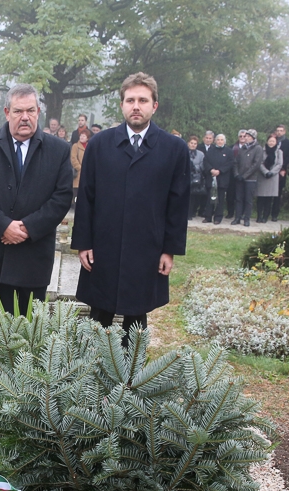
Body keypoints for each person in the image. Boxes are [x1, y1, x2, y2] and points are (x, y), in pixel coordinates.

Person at [71, 72, 189, 344]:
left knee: (136, 317)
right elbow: (86, 196)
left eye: (143, 100)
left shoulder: (173, 149)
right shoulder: (99, 145)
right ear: (122, 105)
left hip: (147, 246)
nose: (136, 106)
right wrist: (83, 243)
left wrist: (169, 249)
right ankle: (91, 365)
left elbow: (178, 203)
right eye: (130, 100)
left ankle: (132, 368)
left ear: (154, 105)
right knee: (99, 316)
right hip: (104, 245)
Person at [0, 83, 73, 313]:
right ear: (7, 113)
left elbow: (62, 197)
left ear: (38, 112)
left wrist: (27, 227)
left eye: (30, 110)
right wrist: (3, 226)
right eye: (18, 111)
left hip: (35, 254)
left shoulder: (59, 150)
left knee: (32, 327)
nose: (25, 117)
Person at [232, 129, 262, 226]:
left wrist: (244, 176)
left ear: (253, 138)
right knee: (238, 199)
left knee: (248, 200)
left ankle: (246, 219)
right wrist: (237, 174)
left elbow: (256, 165)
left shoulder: (258, 148)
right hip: (239, 178)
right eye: (246, 136)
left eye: (248, 136)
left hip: (250, 179)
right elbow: (236, 162)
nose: (246, 138)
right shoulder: (243, 148)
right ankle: (237, 218)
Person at [202, 133, 233, 224]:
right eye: (218, 140)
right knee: (209, 198)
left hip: (222, 178)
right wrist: (211, 170)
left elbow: (230, 163)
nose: (220, 141)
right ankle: (208, 217)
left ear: (224, 141)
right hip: (211, 177)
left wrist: (220, 171)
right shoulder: (210, 150)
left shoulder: (229, 151)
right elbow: (205, 161)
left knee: (220, 199)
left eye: (221, 140)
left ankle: (218, 218)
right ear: (215, 141)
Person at [255, 133, 283, 223]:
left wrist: (272, 172)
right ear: (267, 141)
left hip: (273, 177)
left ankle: (265, 217)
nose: (271, 143)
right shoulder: (262, 151)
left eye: (273, 141)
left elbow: (279, 164)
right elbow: (259, 162)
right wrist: (266, 172)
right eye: (270, 141)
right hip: (262, 176)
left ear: (276, 142)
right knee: (260, 198)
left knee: (269, 199)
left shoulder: (279, 152)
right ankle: (259, 216)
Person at [273, 125, 289, 222]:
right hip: (271, 170)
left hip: (281, 170)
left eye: (281, 131)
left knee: (278, 193)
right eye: (277, 130)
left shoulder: (288, 143)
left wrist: (282, 167)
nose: (279, 132)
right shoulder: (272, 141)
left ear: (284, 132)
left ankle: (274, 214)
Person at [187, 135, 205, 220]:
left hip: (195, 177)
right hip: (185, 175)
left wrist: (194, 167)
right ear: (188, 143)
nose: (193, 145)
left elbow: (202, 166)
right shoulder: (183, 151)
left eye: (195, 143)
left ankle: (191, 213)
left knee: (193, 196)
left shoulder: (201, 154)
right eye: (191, 143)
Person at [70, 128, 90, 207]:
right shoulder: (75, 146)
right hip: (78, 172)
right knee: (75, 191)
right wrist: (80, 168)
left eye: (84, 136)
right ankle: (74, 205)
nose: (82, 137)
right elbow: (73, 158)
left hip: (87, 172)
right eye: (81, 135)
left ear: (87, 138)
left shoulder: (89, 146)